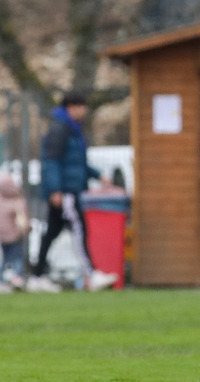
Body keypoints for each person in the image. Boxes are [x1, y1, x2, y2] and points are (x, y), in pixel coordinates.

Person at [29, 91, 119, 293]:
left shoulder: (71, 130)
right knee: (80, 231)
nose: (84, 111)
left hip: (69, 189)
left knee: (50, 234)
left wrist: (97, 175)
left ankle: (37, 276)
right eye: (81, 107)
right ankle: (92, 275)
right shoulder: (59, 130)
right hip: (65, 192)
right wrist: (56, 190)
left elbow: (76, 164)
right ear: (72, 107)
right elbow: (51, 162)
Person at [0, 171, 30, 291]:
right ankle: (17, 277)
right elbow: (23, 218)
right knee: (17, 258)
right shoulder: (17, 201)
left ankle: (2, 279)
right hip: (15, 236)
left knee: (5, 259)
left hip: (2, 237)